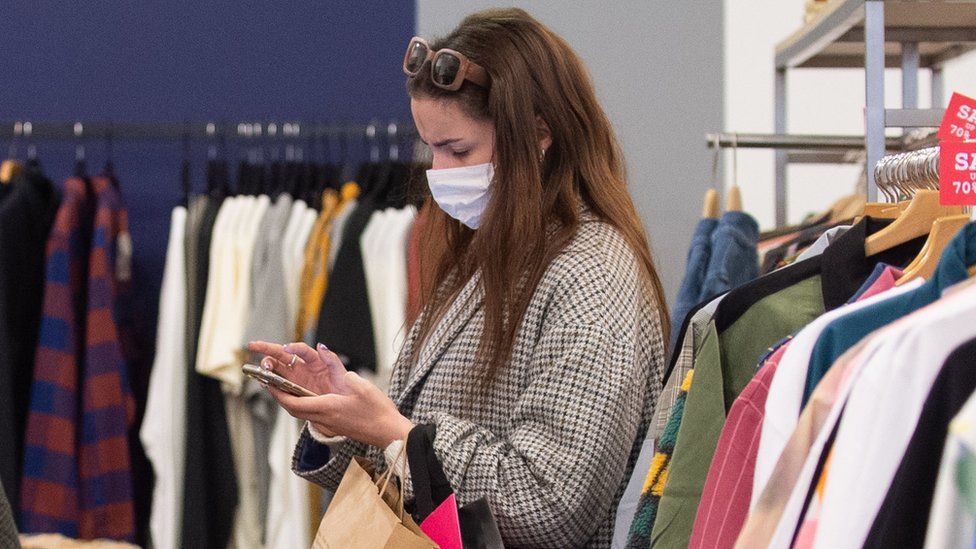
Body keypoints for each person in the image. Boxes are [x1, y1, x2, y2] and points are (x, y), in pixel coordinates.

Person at [248, 8, 668, 547]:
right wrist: (339, 416)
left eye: (458, 150)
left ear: (540, 135)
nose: (439, 173)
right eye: (430, 148)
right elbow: (406, 457)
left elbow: (550, 505)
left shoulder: (592, 276)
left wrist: (397, 433)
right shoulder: (489, 250)